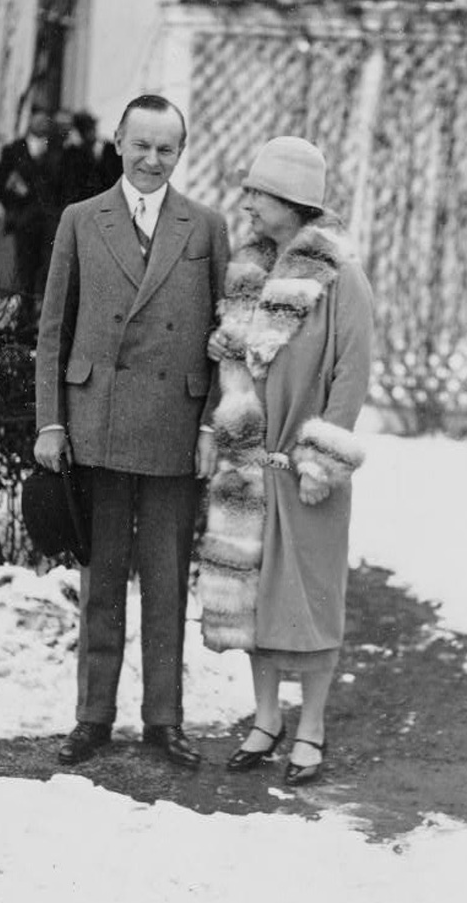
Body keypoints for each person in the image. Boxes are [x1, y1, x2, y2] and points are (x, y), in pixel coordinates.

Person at [34, 93, 229, 768]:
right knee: (103, 579)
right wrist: (52, 422)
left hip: (174, 430)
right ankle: (92, 717)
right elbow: (53, 332)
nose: (152, 159)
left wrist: (210, 426)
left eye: (165, 148)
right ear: (118, 141)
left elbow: (222, 340)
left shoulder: (205, 227)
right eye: (140, 144)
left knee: (169, 583)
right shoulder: (81, 221)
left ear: (181, 152)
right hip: (99, 425)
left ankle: (164, 720)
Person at [200, 136, 373, 785]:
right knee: (254, 598)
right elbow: (231, 361)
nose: (245, 205)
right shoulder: (247, 275)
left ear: (293, 203)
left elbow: (352, 377)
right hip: (251, 468)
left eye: (258, 194)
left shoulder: (343, 279)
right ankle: (267, 719)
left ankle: (312, 727)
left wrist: (320, 461)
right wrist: (234, 424)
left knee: (313, 599)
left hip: (307, 475)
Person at [0, 106, 58, 332]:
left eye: (45, 120)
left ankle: (31, 324)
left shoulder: (55, 152)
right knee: (15, 276)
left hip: (44, 227)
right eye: (37, 118)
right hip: (17, 226)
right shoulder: (13, 150)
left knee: (39, 276)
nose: (41, 123)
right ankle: (11, 323)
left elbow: (57, 189)